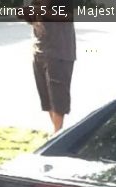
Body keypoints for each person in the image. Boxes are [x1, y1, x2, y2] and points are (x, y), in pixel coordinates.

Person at [20, 0, 76, 134]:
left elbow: (68, 16)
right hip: (39, 51)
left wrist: (43, 12)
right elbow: (30, 19)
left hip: (60, 52)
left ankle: (57, 135)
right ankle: (56, 133)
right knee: (47, 99)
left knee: (58, 99)